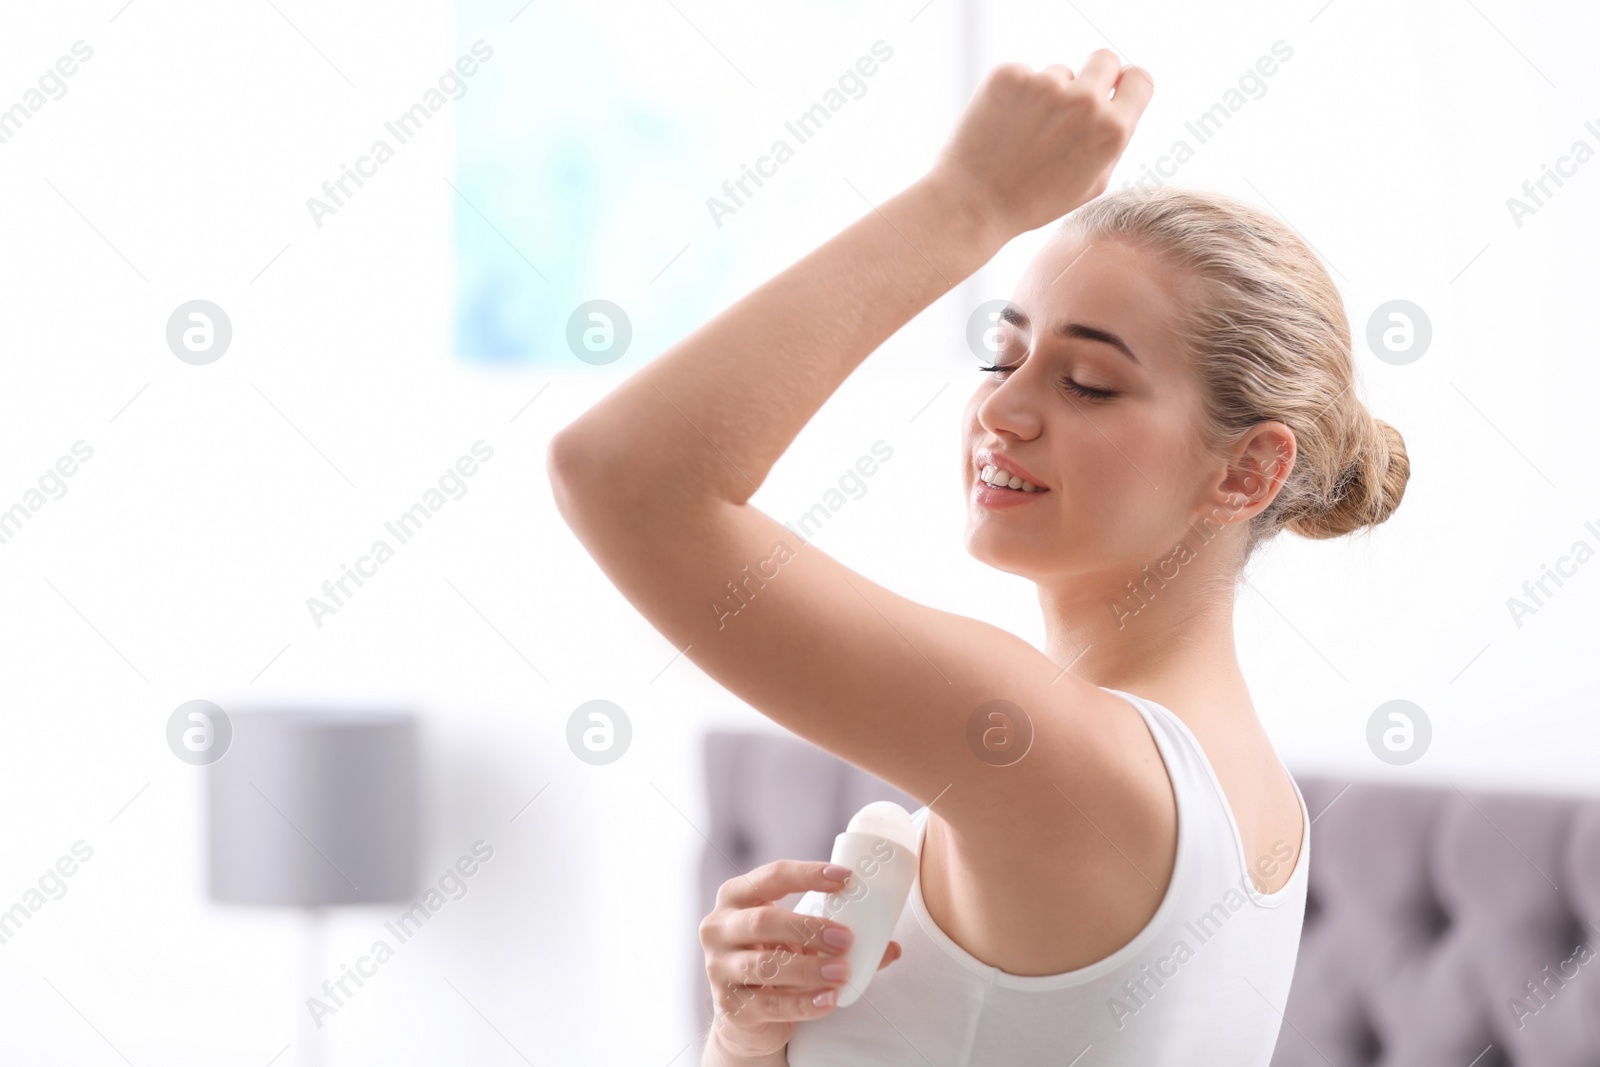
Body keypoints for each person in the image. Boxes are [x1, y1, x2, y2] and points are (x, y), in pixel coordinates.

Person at [549, 49, 1407, 1066]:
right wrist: (751, 1039)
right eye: (1003, 357)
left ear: (1246, 471)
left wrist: (971, 200)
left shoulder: (1065, 754)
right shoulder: (1256, 805)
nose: (1000, 408)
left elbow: (625, 479)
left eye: (1086, 381)